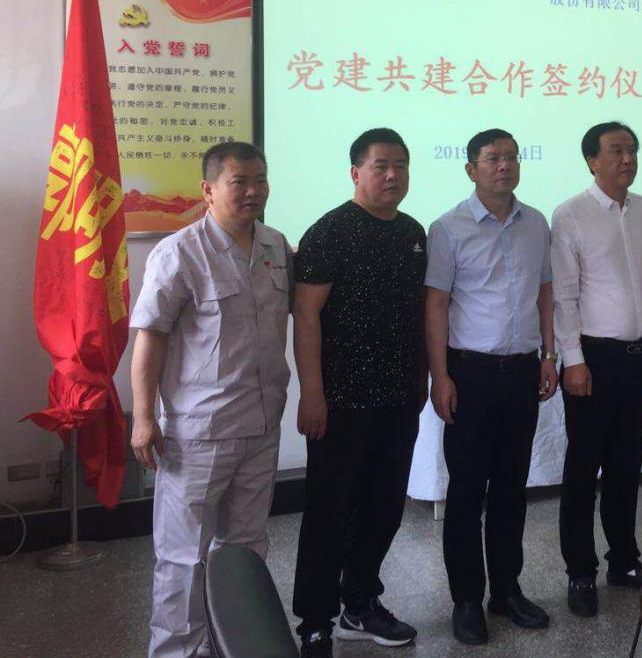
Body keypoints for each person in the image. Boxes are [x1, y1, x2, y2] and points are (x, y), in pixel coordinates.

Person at [130, 142, 291, 658]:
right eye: (239, 181)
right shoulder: (179, 252)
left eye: (260, 180)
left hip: (261, 425)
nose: (253, 191)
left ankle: (232, 643)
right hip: (199, 432)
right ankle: (178, 650)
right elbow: (150, 338)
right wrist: (142, 417)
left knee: (244, 550)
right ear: (208, 189)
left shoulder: (275, 245)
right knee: (183, 556)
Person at [291, 128, 427, 658]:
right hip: (341, 401)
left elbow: (417, 314)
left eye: (401, 165)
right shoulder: (330, 231)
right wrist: (312, 394)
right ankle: (315, 620)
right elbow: (306, 315)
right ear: (356, 172)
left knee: (384, 508)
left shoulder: (413, 232)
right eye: (380, 166)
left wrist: (421, 378)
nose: (393, 175)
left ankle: (360, 603)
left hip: (398, 399)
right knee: (330, 512)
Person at [425, 129, 557, 645]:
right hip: (471, 374)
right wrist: (441, 377)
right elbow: (436, 305)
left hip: (522, 372)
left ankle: (505, 590)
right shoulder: (448, 228)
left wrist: (549, 355)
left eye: (511, 157)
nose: (504, 166)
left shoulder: (536, 223)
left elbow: (544, 292)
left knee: (510, 489)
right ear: (471, 169)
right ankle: (466, 600)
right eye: (493, 158)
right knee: (465, 492)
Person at [552, 121, 642, 618]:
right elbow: (564, 296)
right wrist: (573, 361)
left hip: (638, 356)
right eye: (616, 150)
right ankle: (580, 571)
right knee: (583, 469)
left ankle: (623, 560)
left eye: (632, 150)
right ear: (592, 161)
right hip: (593, 359)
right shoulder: (571, 214)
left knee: (626, 466)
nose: (627, 159)